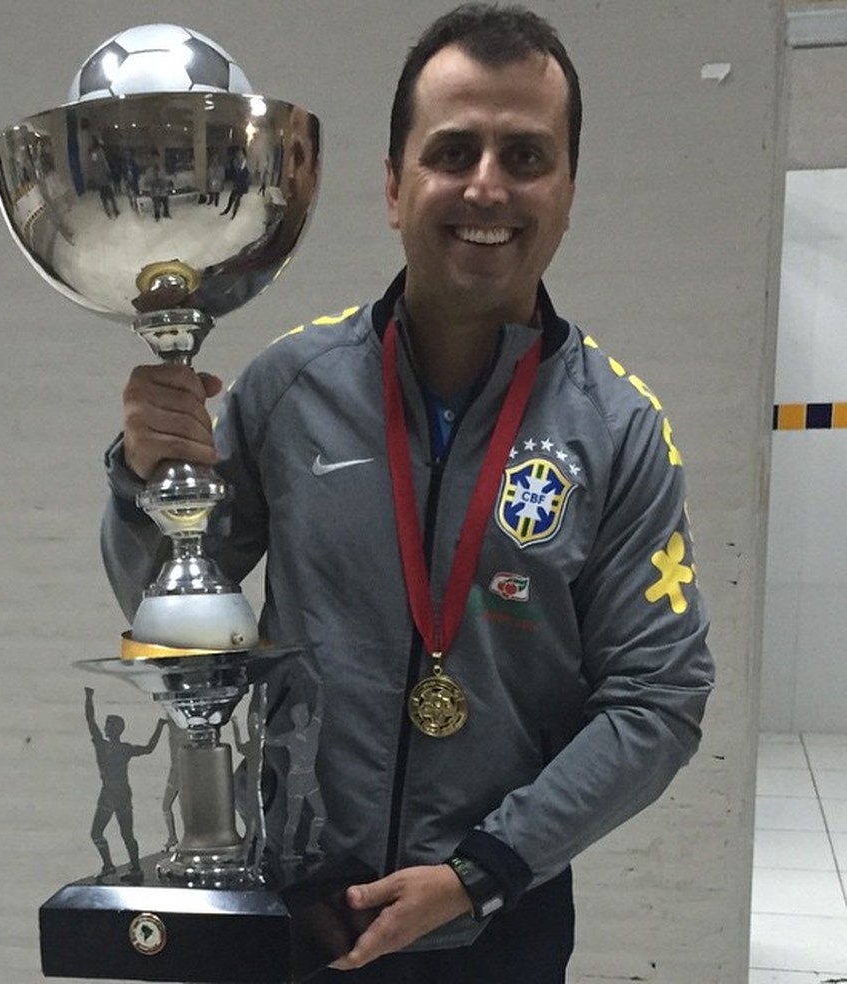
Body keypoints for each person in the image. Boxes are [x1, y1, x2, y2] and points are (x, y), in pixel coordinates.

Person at [100, 5, 714, 982]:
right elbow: (169, 603)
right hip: (301, 910)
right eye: (454, 149)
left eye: (525, 156)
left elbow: (660, 700)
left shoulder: (619, 429)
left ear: (566, 192)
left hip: (498, 916)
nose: (486, 185)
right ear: (394, 185)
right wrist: (143, 478)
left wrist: (480, 872)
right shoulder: (288, 388)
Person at [84, 686, 166, 879]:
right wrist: (160, 727)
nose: (105, 727)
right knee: (122, 834)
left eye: (109, 725)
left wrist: (88, 698)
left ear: (115, 729)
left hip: (111, 793)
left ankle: (115, 866)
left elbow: (90, 720)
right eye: (107, 724)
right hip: (118, 793)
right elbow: (149, 748)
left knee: (100, 833)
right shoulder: (120, 748)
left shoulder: (108, 746)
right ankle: (129, 867)